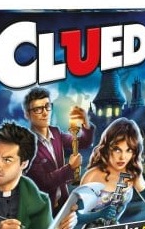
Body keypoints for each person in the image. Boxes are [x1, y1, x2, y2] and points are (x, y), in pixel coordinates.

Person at [72, 117, 145, 229]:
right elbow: (76, 216)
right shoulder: (93, 175)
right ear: (107, 148)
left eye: (129, 150)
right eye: (117, 150)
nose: (123, 157)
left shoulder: (132, 173)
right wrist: (99, 214)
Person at [23, 87, 95, 216]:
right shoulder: (26, 143)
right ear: (27, 114)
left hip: (64, 204)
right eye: (38, 109)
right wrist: (70, 167)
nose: (45, 113)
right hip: (43, 210)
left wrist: (86, 123)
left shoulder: (55, 133)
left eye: (47, 107)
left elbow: (83, 142)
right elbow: (43, 182)